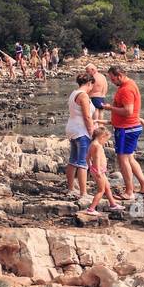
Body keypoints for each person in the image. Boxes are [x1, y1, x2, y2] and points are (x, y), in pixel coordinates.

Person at [108, 64, 144, 199]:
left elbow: (128, 111)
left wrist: (110, 108)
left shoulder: (126, 89)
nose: (111, 82)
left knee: (123, 159)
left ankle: (129, 192)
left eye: (113, 79)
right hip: (131, 127)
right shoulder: (129, 84)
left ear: (119, 76)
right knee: (130, 158)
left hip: (126, 128)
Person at [65, 72, 95, 201]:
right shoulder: (83, 96)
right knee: (83, 162)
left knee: (73, 160)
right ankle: (83, 193)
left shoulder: (74, 93)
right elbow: (87, 116)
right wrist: (91, 132)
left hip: (72, 128)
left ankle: (71, 188)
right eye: (92, 85)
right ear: (89, 83)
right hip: (81, 130)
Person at [85, 126, 124, 214]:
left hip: (97, 170)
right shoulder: (98, 146)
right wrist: (98, 170)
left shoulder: (92, 144)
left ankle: (113, 204)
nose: (105, 142)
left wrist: (90, 167)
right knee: (101, 190)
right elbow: (97, 158)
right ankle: (91, 209)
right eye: (105, 140)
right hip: (99, 171)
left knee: (107, 187)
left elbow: (87, 157)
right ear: (102, 137)